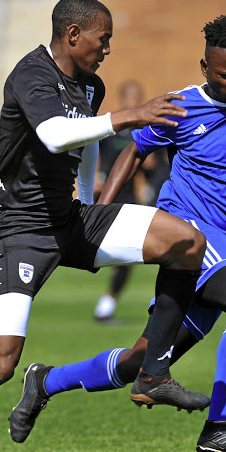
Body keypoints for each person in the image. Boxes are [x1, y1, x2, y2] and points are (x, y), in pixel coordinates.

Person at [0, 1, 211, 452]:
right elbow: (57, 134)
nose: (108, 49)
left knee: (185, 243)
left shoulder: (91, 85)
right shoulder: (30, 74)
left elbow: (83, 143)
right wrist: (130, 116)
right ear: (74, 34)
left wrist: (91, 197)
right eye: (104, 39)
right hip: (15, 231)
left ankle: (153, 373)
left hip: (70, 219)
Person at [5, 14, 226, 452]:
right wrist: (103, 207)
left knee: (145, 360)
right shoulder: (183, 107)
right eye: (225, 75)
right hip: (190, 232)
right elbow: (136, 147)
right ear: (204, 67)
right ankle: (220, 424)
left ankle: (45, 381)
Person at [92, 80, 169, 322]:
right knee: (98, 248)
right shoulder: (113, 125)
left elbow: (156, 166)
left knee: (129, 255)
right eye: (131, 97)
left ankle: (107, 304)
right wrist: (94, 177)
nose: (135, 102)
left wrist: (149, 173)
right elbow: (93, 151)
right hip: (106, 194)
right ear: (123, 99)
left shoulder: (148, 130)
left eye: (139, 97)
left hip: (132, 200)